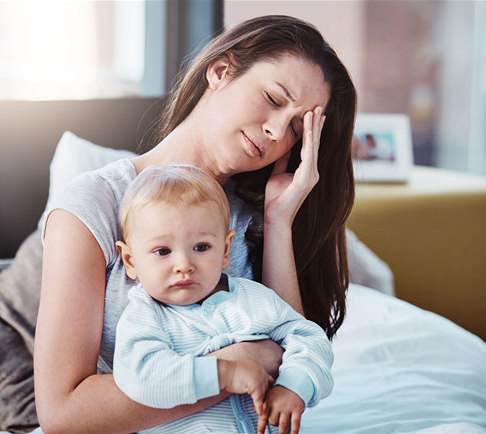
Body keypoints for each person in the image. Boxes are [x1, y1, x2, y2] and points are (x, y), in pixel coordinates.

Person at [35, 14, 357, 433]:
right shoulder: (94, 204)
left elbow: (287, 358)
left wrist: (279, 222)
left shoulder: (255, 216)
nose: (277, 131)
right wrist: (231, 366)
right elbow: (62, 413)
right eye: (274, 99)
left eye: (297, 129)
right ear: (220, 71)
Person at [112, 164, 334, 434]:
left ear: (226, 250)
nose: (184, 265)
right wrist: (225, 373)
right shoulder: (143, 316)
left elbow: (310, 338)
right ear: (130, 260)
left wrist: (293, 386)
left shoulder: (252, 298)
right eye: (162, 251)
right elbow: (141, 377)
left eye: (201, 247)